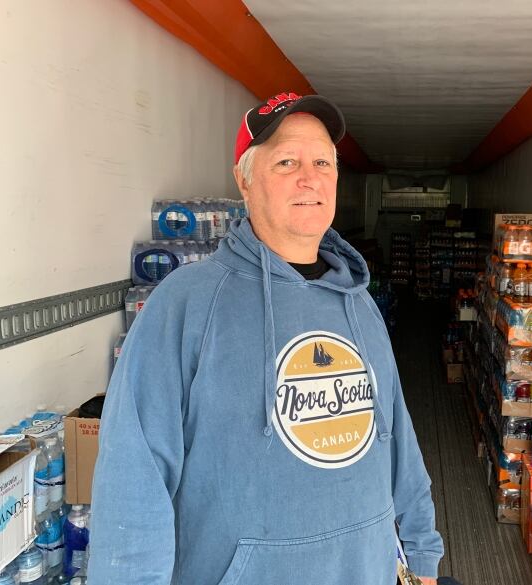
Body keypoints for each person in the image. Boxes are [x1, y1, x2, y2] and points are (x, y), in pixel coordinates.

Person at [88, 92, 444, 584]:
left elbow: (395, 437)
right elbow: (134, 478)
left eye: (323, 161)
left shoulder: (358, 302)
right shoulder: (185, 304)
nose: (309, 177)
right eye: (286, 161)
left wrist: (423, 552)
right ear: (245, 179)